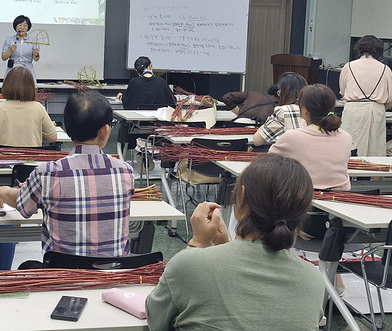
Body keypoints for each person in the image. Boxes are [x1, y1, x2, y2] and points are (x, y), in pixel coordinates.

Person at [145, 154, 325, 331]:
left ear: (242, 197)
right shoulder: (312, 279)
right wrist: (225, 246)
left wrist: (197, 243)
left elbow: (156, 319)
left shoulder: (190, 264)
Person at [0, 92, 134, 257]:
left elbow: (23, 205)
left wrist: (1, 191)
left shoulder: (48, 174)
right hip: (113, 271)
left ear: (67, 128)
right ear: (104, 131)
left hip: (63, 272)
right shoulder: (125, 172)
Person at [269, 84, 352, 191]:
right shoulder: (346, 137)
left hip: (303, 197)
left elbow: (269, 163)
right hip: (341, 197)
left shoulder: (292, 137)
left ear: (305, 110)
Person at [338, 35, 392, 156]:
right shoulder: (385, 69)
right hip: (376, 110)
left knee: (349, 147)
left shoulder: (348, 66)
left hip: (353, 110)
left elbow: (343, 91)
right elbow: (391, 97)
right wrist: (382, 107)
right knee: (375, 150)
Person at [0, 67, 56, 148]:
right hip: (32, 155)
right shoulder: (39, 108)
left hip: (3, 156)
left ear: (6, 85)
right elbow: (52, 137)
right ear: (32, 87)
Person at [252, 72, 307, 146]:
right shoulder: (312, 109)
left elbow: (257, 140)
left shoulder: (283, 111)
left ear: (283, 93)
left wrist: (267, 122)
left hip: (291, 152)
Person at [1, 15, 39, 80]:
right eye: (20, 25)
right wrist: (10, 50)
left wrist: (36, 54)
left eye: (25, 25)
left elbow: (36, 59)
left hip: (27, 69)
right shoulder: (9, 40)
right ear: (15, 27)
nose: (22, 28)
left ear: (28, 28)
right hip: (13, 69)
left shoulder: (33, 41)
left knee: (28, 86)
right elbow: (3, 58)